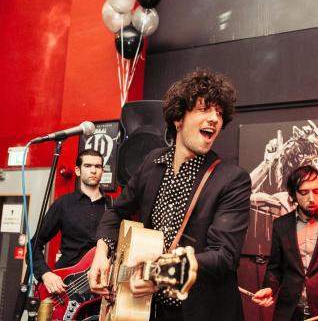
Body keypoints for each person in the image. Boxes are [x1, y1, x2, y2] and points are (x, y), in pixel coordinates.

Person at [88, 69, 252, 321]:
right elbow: (116, 213)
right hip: (149, 309)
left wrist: (157, 272)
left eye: (219, 113)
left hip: (200, 312)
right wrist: (102, 252)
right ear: (178, 119)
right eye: (204, 109)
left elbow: (223, 256)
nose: (214, 119)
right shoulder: (152, 162)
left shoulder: (231, 178)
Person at [252, 165, 318, 321]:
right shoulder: (281, 225)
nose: (311, 198)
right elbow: (275, 268)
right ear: (293, 195)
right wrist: (269, 287)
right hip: (288, 313)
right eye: (304, 192)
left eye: (316, 191)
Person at [30, 149, 109, 295]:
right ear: (78, 171)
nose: (93, 170)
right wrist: (45, 274)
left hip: (100, 290)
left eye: (98, 167)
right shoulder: (63, 204)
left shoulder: (112, 207)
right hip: (66, 289)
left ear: (102, 171)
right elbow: (34, 245)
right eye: (88, 166)